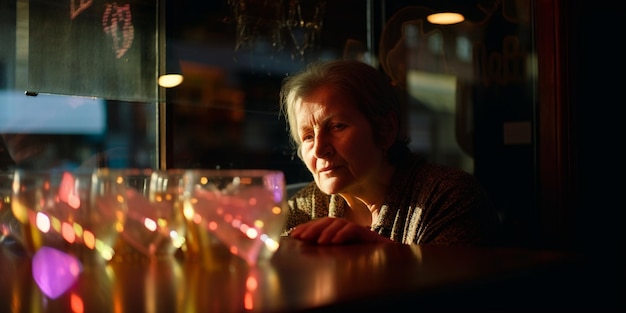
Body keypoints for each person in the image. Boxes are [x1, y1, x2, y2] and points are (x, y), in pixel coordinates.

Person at [279, 59, 503, 246]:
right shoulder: (309, 203)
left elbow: (449, 290)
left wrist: (378, 251)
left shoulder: (446, 196)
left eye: (337, 126)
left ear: (386, 130)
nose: (319, 149)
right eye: (308, 136)